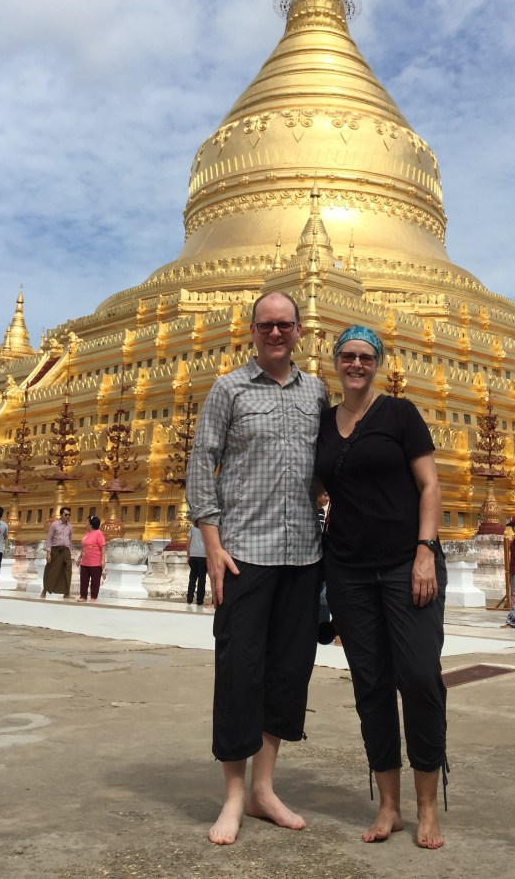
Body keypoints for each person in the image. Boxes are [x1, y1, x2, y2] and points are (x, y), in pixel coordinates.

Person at [186, 290, 329, 846]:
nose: (276, 333)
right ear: (252, 331)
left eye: (285, 325)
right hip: (245, 553)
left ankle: (265, 788)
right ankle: (232, 795)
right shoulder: (228, 388)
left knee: (288, 673)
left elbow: (328, 465)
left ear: (298, 332)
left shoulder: (316, 391)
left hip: (303, 555)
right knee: (240, 672)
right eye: (266, 325)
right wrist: (212, 542)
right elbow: (202, 458)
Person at [316, 325, 448, 850]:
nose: (355, 364)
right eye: (347, 356)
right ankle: (389, 807)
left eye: (365, 357)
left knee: (418, 677)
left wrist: (424, 551)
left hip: (403, 563)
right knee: (369, 684)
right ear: (335, 362)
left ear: (378, 362)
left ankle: (429, 809)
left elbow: (430, 485)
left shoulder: (400, 414)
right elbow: (312, 486)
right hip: (347, 569)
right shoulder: (323, 423)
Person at [41, 507, 73, 599]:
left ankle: (66, 592)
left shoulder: (70, 526)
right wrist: (48, 553)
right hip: (55, 550)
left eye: (69, 515)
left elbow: (70, 539)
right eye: (66, 514)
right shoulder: (54, 525)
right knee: (51, 570)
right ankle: (45, 589)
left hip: (66, 550)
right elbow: (49, 539)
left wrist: (70, 550)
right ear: (61, 514)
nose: (68, 516)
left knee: (67, 570)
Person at [77, 515, 106, 602]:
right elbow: (84, 547)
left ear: (91, 524)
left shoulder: (98, 533)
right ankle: (83, 596)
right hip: (85, 561)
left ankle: (93, 597)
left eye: (87, 521)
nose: (86, 523)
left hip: (95, 562)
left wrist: (103, 560)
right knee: (84, 580)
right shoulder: (87, 533)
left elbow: (103, 546)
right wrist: (80, 557)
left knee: (95, 581)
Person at [185, 524, 207, 606]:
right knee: (202, 579)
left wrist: (188, 555)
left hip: (193, 555)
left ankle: (189, 598)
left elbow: (188, 541)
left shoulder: (193, 528)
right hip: (203, 556)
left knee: (192, 578)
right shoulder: (206, 528)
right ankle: (199, 600)